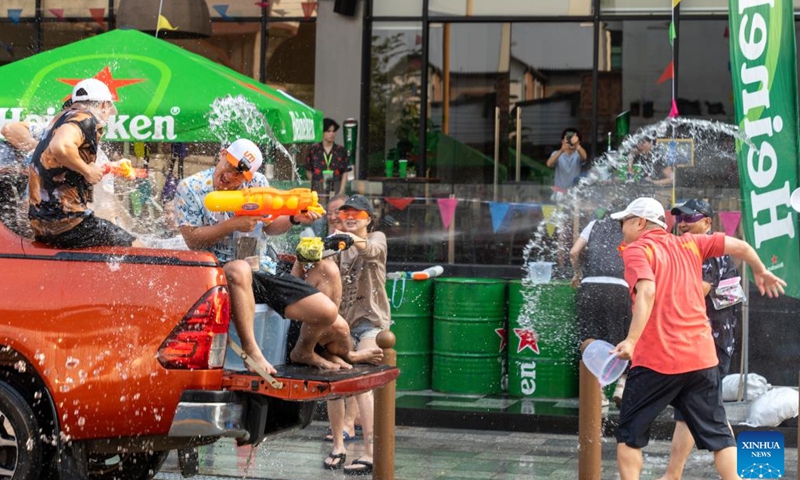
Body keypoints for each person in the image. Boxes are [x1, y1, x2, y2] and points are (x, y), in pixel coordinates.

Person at [608, 197, 785, 480]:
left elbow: (647, 293)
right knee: (719, 436)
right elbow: (741, 247)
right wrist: (760, 269)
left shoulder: (637, 250)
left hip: (657, 360)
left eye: (624, 222)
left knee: (629, 435)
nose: (621, 228)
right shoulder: (690, 243)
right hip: (702, 359)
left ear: (640, 223)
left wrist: (630, 340)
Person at [175, 138, 355, 373]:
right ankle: (252, 353)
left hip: (260, 268)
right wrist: (233, 224)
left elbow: (270, 227)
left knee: (327, 312)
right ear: (221, 154)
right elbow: (192, 239)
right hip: (216, 274)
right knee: (238, 268)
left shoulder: (257, 184)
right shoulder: (191, 187)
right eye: (229, 167)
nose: (230, 176)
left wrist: (293, 218)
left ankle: (303, 350)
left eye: (240, 175)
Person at [657, 198, 740, 480]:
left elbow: (697, 289)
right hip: (698, 343)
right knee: (699, 410)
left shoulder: (708, 251)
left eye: (689, 219)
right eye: (679, 219)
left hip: (710, 345)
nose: (682, 224)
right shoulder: (692, 248)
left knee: (702, 411)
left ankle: (675, 475)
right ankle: (676, 474)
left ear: (707, 223)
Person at [27, 78, 140, 248]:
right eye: (110, 108)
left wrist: (107, 168)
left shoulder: (59, 119)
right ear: (103, 105)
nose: (110, 114)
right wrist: (87, 170)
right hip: (67, 223)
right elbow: (61, 147)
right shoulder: (85, 118)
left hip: (42, 223)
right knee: (137, 247)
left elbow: (59, 165)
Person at [325, 195, 390, 475]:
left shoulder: (377, 237)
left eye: (357, 212)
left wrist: (350, 239)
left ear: (368, 218)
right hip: (341, 323)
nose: (350, 216)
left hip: (371, 322)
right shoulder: (335, 242)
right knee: (334, 384)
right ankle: (338, 445)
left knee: (363, 381)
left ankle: (370, 451)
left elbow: (372, 252)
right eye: (345, 212)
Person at [569, 208, 632, 407]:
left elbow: (573, 252)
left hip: (590, 286)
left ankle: (599, 391)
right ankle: (622, 385)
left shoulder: (594, 224)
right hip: (619, 288)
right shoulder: (629, 229)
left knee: (590, 336)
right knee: (623, 337)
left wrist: (578, 273)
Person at [305, 118, 350, 198]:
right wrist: (315, 184)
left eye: (333, 131)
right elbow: (308, 170)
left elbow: (345, 172)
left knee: (334, 209)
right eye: (328, 131)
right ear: (322, 132)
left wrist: (341, 190)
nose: (331, 134)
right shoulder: (314, 150)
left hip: (336, 186)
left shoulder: (341, 150)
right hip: (318, 188)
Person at [546, 128, 587, 201]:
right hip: (559, 193)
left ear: (579, 142)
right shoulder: (557, 153)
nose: (570, 142)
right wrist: (562, 150)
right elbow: (549, 164)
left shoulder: (578, 154)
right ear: (562, 141)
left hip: (574, 193)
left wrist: (577, 145)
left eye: (572, 139)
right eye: (568, 139)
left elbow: (584, 157)